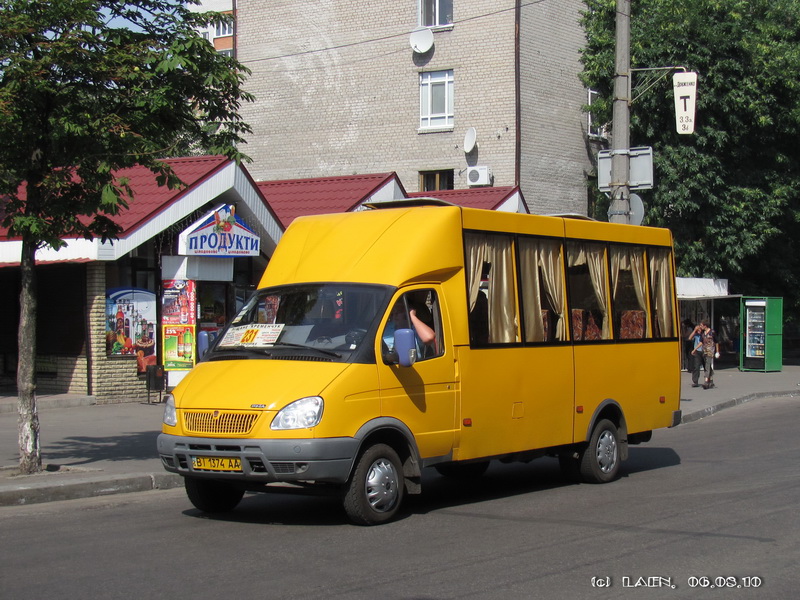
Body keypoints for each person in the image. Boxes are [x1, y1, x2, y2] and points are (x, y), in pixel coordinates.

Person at [700, 319, 720, 389]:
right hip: (704, 351)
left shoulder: (712, 332)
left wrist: (717, 351)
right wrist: (695, 349)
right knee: (706, 365)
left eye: (701, 325)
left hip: (710, 351)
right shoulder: (703, 333)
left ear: (705, 326)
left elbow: (716, 341)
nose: (700, 326)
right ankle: (711, 381)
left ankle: (706, 382)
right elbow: (701, 342)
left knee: (707, 365)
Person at [687, 322, 704, 387]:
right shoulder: (696, 335)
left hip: (704, 351)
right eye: (698, 330)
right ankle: (695, 381)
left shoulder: (703, 335)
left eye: (700, 330)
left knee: (706, 367)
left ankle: (708, 380)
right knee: (696, 367)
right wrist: (694, 330)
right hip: (697, 352)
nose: (699, 331)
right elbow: (689, 338)